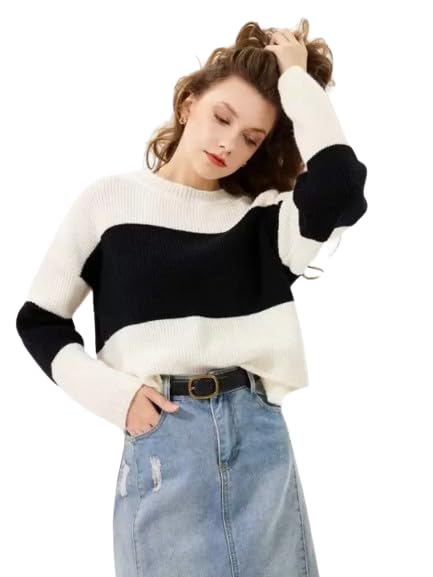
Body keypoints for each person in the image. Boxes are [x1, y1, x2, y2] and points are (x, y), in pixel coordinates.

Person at [15, 19, 368, 577]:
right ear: (188, 104)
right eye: (222, 118)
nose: (229, 143)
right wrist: (117, 398)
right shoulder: (109, 203)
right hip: (165, 441)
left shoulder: (264, 220)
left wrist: (297, 79)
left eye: (251, 138)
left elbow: (341, 189)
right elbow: (39, 320)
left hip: (259, 440)